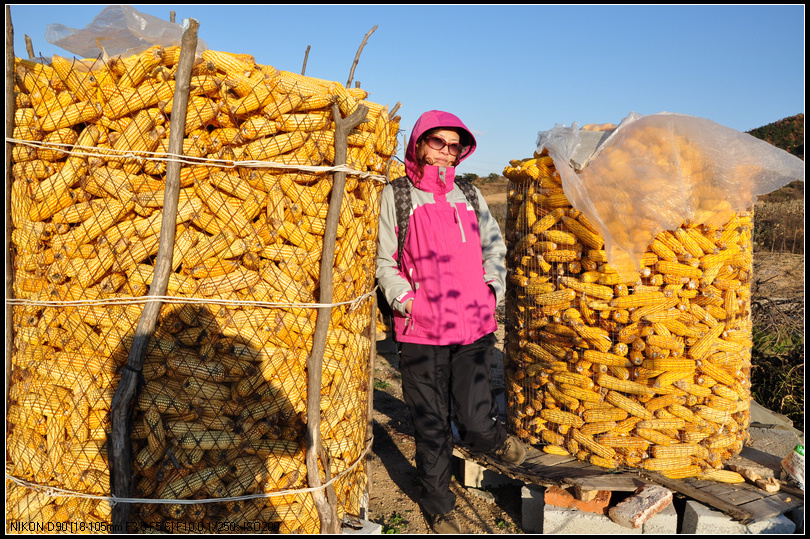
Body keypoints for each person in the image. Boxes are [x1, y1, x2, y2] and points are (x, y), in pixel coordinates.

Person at [376, 110, 527, 534]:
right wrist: (406, 301)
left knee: (476, 420)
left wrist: (491, 289)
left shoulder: (471, 195)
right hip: (422, 330)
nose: (445, 152)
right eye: (437, 142)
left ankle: (492, 441)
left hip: (473, 327)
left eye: (453, 145)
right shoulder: (398, 197)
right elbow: (384, 259)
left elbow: (494, 249)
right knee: (430, 423)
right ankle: (438, 501)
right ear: (419, 144)